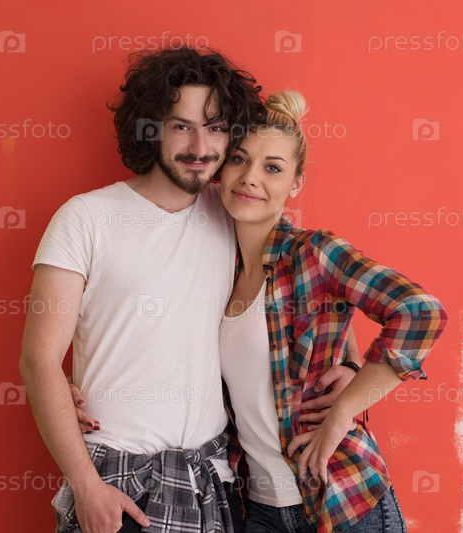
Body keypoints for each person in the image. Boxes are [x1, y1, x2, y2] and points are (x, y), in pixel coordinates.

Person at [20, 48, 353, 533]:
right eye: (181, 126)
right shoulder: (85, 217)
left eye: (215, 128)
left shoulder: (234, 211)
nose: (200, 146)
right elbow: (39, 361)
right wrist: (86, 485)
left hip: (212, 479)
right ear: (150, 128)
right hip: (116, 477)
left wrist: (350, 365)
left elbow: (309, 278)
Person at [217, 91, 448, 532]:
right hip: (259, 508)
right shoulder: (218, 270)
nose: (250, 178)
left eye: (273, 168)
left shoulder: (314, 252)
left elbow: (421, 312)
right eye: (239, 160)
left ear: (296, 184)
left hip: (342, 499)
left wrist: (342, 413)